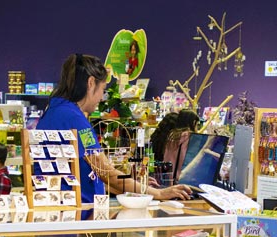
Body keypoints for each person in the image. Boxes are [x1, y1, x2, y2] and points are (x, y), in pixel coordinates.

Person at [36, 53, 191, 202]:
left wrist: (136, 186)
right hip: (76, 210)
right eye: (102, 89)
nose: (101, 97)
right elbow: (106, 172)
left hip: (57, 204)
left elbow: (94, 175)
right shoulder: (75, 119)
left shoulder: (53, 112)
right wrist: (159, 193)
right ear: (91, 83)